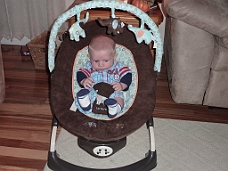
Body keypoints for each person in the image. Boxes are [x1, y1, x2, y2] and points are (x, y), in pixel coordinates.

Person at [76, 35, 132, 118]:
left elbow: (127, 75)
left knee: (119, 97)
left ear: (114, 56)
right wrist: (84, 80)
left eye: (106, 60)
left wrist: (122, 85)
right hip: (94, 90)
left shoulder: (118, 67)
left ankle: (114, 108)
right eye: (96, 60)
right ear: (90, 57)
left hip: (113, 91)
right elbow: (80, 73)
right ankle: (85, 103)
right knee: (88, 92)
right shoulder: (89, 66)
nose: (101, 64)